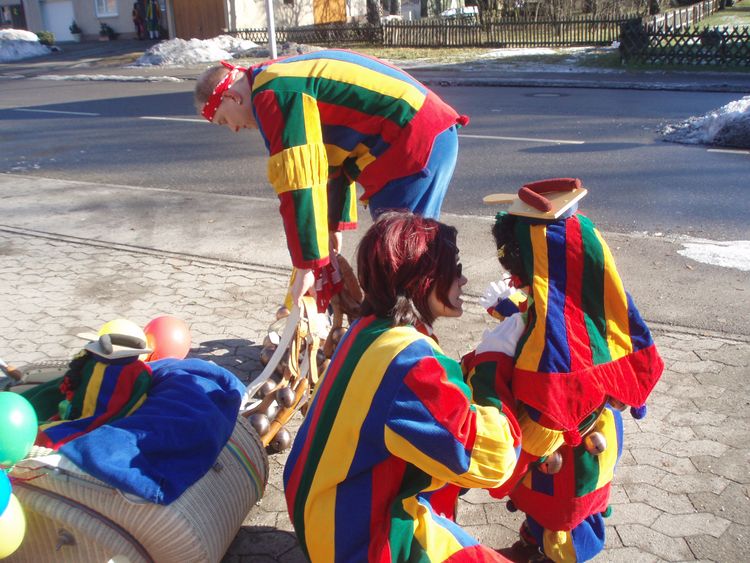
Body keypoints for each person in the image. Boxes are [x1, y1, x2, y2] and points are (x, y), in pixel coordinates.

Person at [283, 212, 520, 562]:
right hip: (355, 542)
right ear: (422, 280)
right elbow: (495, 460)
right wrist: (492, 366)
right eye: (454, 269)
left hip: (319, 510)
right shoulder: (411, 364)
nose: (464, 279)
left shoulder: (367, 327)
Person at [472, 178, 664, 562]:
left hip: (564, 443)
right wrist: (513, 307)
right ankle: (534, 543)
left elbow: (540, 407)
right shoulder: (595, 299)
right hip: (597, 432)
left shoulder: (548, 340)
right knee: (566, 505)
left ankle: (560, 554)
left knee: (563, 512)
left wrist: (511, 457)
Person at [193, 50, 468, 310]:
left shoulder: (275, 92)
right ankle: (395, 330)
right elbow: (328, 158)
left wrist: (306, 265)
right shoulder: (277, 77)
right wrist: (331, 225)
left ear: (232, 97)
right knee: (397, 262)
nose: (234, 128)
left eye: (224, 120)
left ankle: (403, 338)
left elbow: (298, 179)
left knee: (401, 265)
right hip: (418, 136)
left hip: (412, 143)